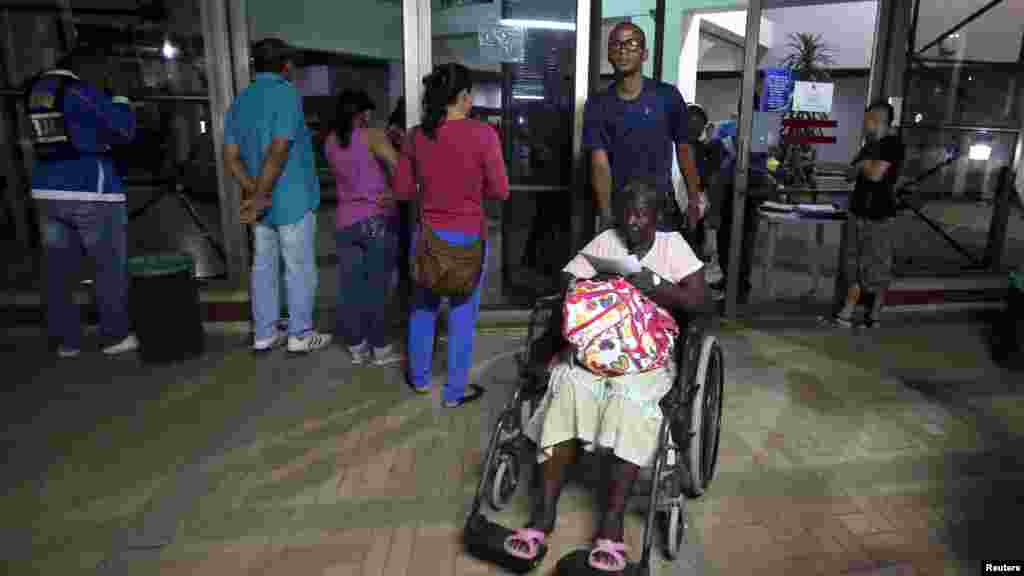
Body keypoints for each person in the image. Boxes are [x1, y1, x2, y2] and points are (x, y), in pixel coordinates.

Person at [504, 178, 707, 571]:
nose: (632, 221)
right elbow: (565, 284)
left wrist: (652, 284)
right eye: (626, 213)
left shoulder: (673, 248)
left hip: (645, 355)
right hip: (596, 348)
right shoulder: (605, 241)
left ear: (657, 217)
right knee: (566, 388)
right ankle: (542, 517)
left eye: (642, 215)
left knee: (630, 403)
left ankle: (611, 525)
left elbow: (701, 304)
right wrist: (597, 282)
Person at [392, 63, 510, 407]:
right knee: (462, 316)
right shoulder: (484, 135)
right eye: (469, 94)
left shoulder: (416, 136)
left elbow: (401, 189)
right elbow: (500, 190)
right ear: (462, 96)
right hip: (468, 239)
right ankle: (454, 393)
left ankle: (420, 380)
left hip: (428, 237)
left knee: (423, 310)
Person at [27, 50, 139, 358]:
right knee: (107, 266)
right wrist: (120, 98)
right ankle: (115, 335)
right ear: (85, 67)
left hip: (47, 190)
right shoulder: (77, 91)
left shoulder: (36, 93)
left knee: (58, 271)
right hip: (90, 190)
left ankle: (67, 341)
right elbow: (124, 130)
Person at [224, 38, 332, 354]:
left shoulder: (240, 101)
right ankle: (300, 334)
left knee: (263, 267)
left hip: (262, 205)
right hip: (292, 199)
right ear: (286, 66)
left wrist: (254, 193)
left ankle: (265, 332)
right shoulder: (287, 94)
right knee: (298, 267)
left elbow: (231, 157)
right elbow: (279, 149)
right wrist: (262, 196)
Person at [584, 22, 705, 235]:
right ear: (609, 54)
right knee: (620, 268)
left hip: (661, 209)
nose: (623, 50)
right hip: (620, 210)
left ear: (644, 54)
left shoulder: (667, 96)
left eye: (631, 44)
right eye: (616, 44)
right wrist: (605, 213)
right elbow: (599, 163)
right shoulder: (597, 104)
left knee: (665, 267)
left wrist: (694, 198)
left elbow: (684, 149)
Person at [325, 89, 402, 366]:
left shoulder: (330, 141)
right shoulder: (372, 136)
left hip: (345, 221)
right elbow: (400, 167)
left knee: (351, 288)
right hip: (375, 220)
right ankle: (380, 349)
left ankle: (357, 346)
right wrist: (394, 193)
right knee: (377, 289)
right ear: (361, 113)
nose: (371, 117)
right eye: (368, 112)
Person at [829, 101, 903, 328]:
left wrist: (863, 166)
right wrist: (863, 165)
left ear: (878, 121)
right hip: (857, 212)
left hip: (880, 216)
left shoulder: (894, 145)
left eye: (868, 121)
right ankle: (848, 310)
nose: (865, 126)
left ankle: (874, 315)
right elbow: (850, 174)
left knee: (877, 266)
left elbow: (875, 175)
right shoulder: (868, 146)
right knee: (852, 264)